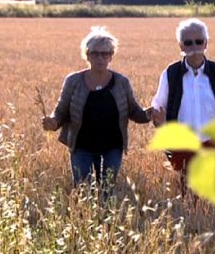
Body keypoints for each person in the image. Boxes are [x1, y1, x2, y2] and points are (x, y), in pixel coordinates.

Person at [151, 18, 215, 198]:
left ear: (206, 43)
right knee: (187, 194)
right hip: (182, 144)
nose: (194, 46)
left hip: (213, 142)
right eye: (188, 42)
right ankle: (191, 224)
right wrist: (158, 119)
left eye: (199, 41)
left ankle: (211, 223)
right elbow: (159, 104)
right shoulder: (171, 73)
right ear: (181, 46)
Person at [42, 26, 152, 194]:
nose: (100, 58)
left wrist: (150, 114)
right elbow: (61, 111)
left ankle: (106, 220)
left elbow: (134, 111)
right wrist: (53, 122)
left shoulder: (121, 82)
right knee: (82, 190)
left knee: (107, 191)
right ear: (87, 55)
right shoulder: (73, 81)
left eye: (105, 53)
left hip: (112, 146)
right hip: (81, 146)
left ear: (111, 56)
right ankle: (84, 220)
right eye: (95, 53)